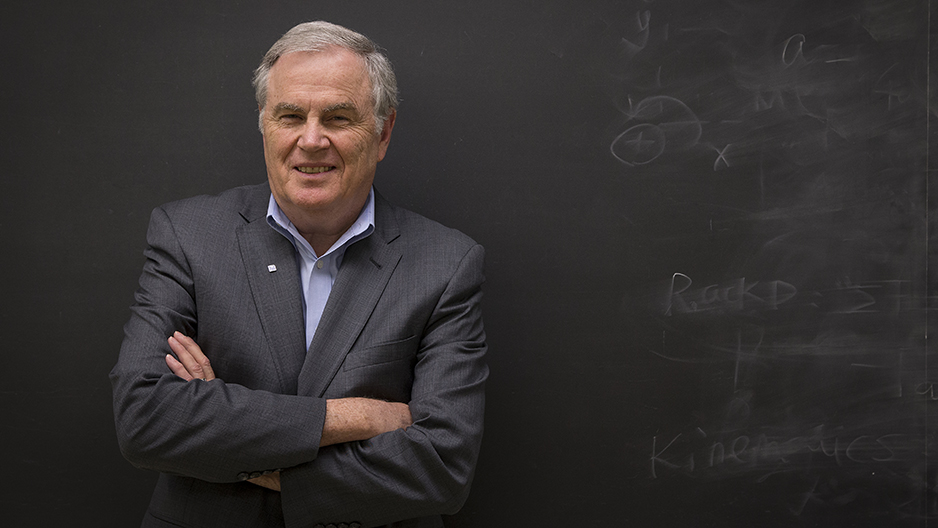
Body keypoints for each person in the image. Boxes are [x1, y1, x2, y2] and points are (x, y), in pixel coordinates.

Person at [110, 21, 488, 528]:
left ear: (383, 132)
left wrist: (232, 444)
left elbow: (442, 468)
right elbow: (145, 420)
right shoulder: (187, 235)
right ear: (264, 122)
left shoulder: (446, 263)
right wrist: (358, 418)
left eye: (338, 117)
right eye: (290, 116)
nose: (311, 140)